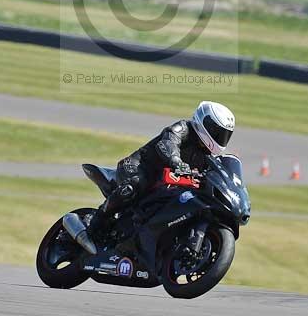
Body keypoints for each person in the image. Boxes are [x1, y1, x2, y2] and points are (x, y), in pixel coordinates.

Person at [88, 101, 235, 240]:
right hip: (139, 167)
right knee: (134, 185)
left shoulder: (207, 155)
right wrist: (177, 162)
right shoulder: (183, 128)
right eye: (218, 133)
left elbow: (214, 173)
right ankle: (96, 221)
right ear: (205, 124)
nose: (221, 138)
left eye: (224, 135)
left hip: (165, 185)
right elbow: (167, 144)